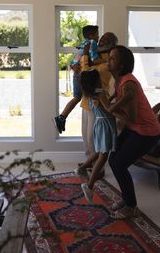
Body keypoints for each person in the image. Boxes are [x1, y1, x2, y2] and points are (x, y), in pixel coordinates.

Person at [100, 45, 160, 219]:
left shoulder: (128, 83)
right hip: (136, 128)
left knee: (119, 163)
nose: (108, 60)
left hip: (147, 132)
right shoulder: (120, 80)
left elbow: (132, 118)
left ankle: (131, 207)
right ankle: (127, 199)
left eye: (112, 58)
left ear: (121, 65)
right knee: (114, 159)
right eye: (109, 56)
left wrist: (108, 108)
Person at [53, 25, 106, 133]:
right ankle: (61, 117)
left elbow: (75, 59)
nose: (98, 36)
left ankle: (62, 117)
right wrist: (105, 61)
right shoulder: (92, 43)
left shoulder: (84, 44)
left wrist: (73, 65)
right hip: (82, 73)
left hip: (76, 72)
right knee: (86, 95)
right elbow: (94, 59)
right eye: (97, 34)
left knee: (77, 97)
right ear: (91, 35)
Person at [75, 69, 117, 203]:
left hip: (99, 124)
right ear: (97, 81)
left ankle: (82, 168)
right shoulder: (101, 93)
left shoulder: (91, 95)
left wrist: (112, 96)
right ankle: (89, 185)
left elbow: (104, 105)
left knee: (100, 151)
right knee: (103, 155)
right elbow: (109, 108)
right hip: (105, 125)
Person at [80, 32, 118, 160]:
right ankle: (89, 162)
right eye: (101, 38)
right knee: (85, 135)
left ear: (113, 44)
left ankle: (98, 168)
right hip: (86, 100)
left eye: (106, 39)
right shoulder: (95, 56)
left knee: (92, 137)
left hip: (97, 102)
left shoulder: (109, 62)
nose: (101, 40)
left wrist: (85, 55)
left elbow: (86, 73)